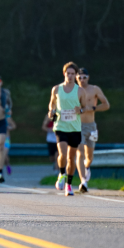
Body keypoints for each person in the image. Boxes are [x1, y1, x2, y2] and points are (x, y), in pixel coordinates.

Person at [48, 62, 83, 196]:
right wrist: (51, 112)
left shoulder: (80, 91)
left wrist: (80, 110)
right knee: (62, 154)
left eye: (72, 74)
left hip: (74, 127)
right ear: (64, 74)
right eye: (68, 73)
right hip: (60, 126)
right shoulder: (56, 89)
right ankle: (62, 174)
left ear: (75, 75)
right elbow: (51, 105)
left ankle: (69, 184)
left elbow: (85, 107)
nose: (70, 76)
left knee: (71, 157)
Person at [74, 68, 111, 193]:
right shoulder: (74, 90)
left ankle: (87, 166)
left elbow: (106, 105)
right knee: (80, 152)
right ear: (76, 78)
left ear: (88, 78)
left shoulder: (94, 89)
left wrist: (92, 108)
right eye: (79, 77)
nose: (82, 80)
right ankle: (83, 182)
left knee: (89, 156)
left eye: (84, 77)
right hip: (78, 126)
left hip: (91, 126)